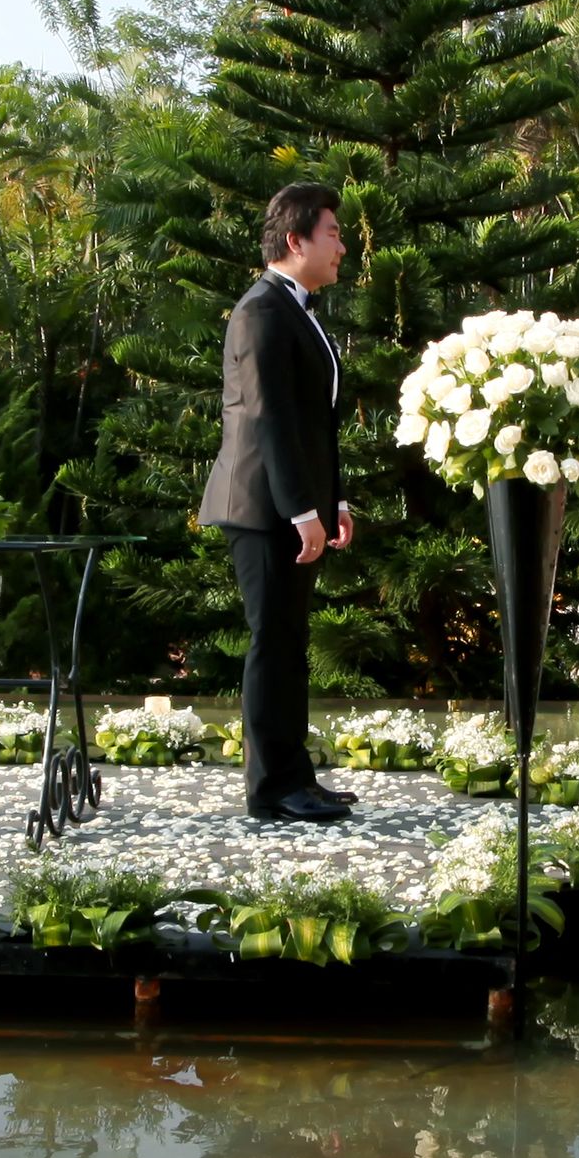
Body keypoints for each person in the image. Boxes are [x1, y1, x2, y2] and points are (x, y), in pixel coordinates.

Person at [197, 183, 357, 823]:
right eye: (333, 233)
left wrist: (331, 499)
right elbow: (266, 420)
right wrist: (300, 510)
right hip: (262, 508)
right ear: (296, 241)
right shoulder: (261, 311)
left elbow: (313, 423)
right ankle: (270, 790)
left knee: (290, 642)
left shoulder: (296, 309)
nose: (342, 246)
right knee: (274, 641)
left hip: (290, 505)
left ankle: (297, 777)